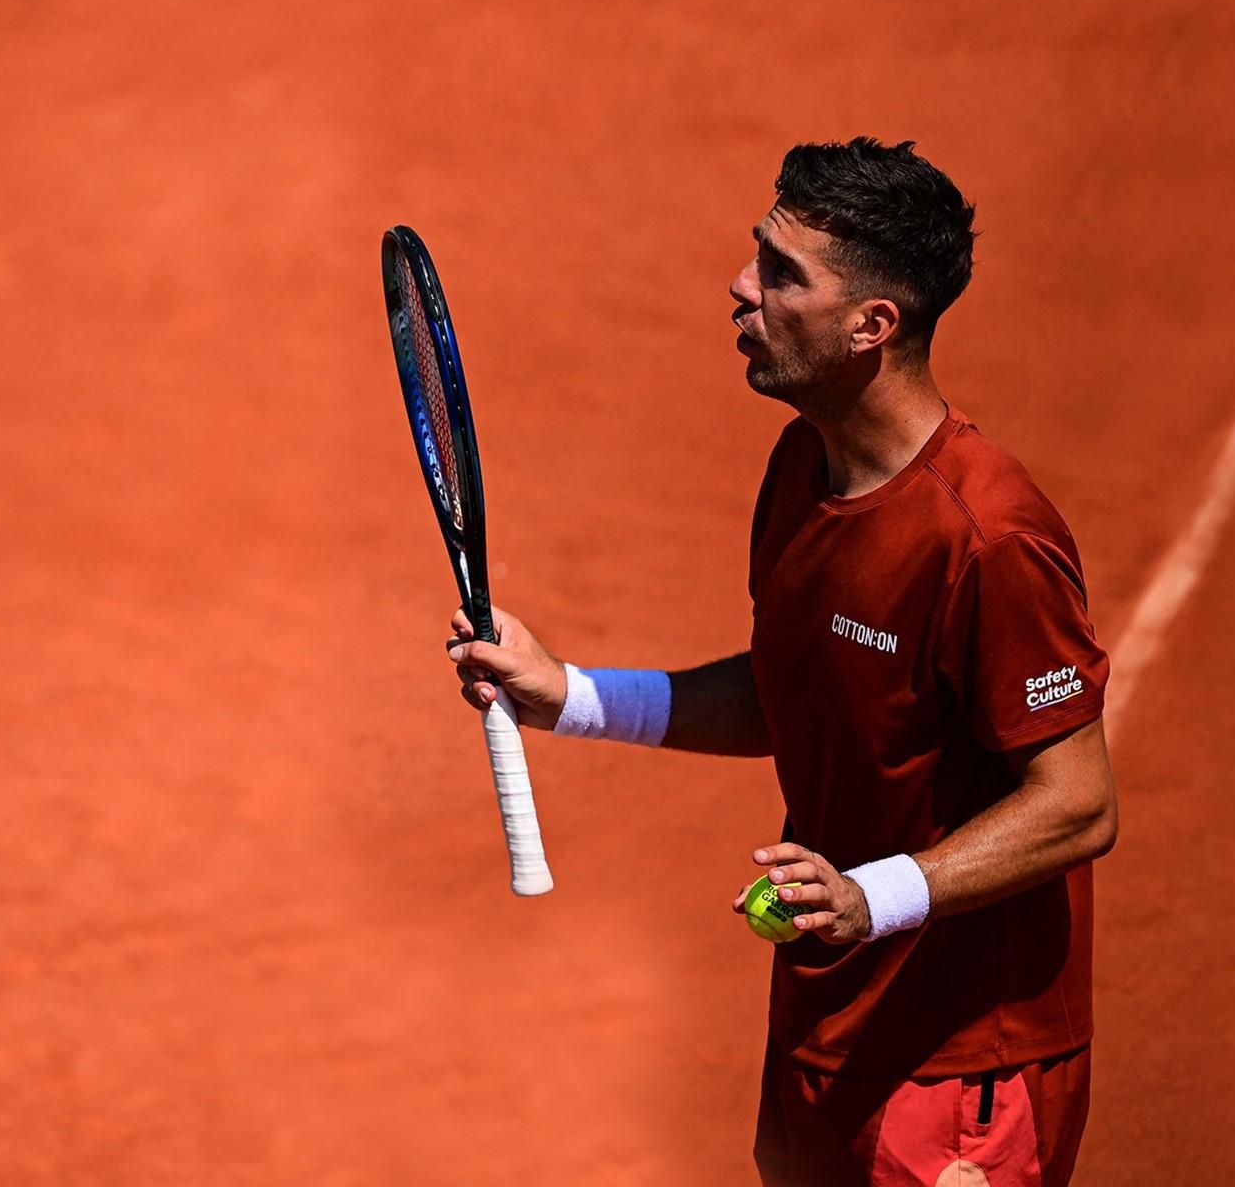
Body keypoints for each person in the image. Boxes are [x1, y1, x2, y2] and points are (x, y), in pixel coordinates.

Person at [447, 139, 1118, 1186]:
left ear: (871, 326)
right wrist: (570, 696)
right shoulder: (804, 465)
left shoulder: (985, 539)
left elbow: (1078, 803)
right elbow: (798, 694)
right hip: (827, 1016)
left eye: (779, 271)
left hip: (957, 1065)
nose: (739, 287)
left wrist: (872, 898)